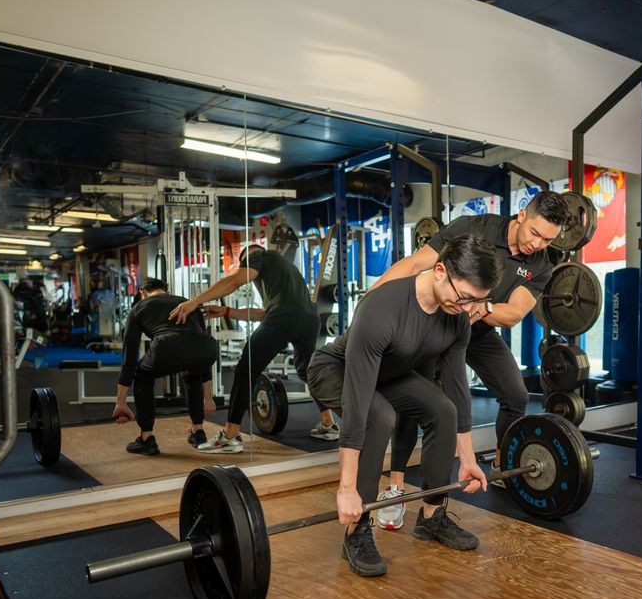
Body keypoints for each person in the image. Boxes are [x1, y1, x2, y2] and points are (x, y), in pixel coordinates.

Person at [369, 190, 573, 529]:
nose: (537, 244)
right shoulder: (473, 227)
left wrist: (486, 307)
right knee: (415, 400)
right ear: (521, 215)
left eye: (547, 239)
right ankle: (396, 487)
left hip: (478, 327)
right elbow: (419, 262)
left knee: (516, 395)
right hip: (437, 322)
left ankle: (500, 466)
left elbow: (515, 312)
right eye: (535, 233)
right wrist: (374, 295)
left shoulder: (541, 263)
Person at [306, 234, 502, 577]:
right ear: (440, 271)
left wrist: (468, 460)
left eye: (479, 301)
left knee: (444, 409)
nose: (471, 309)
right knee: (378, 415)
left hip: (390, 372)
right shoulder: (381, 309)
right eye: (467, 297)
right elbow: (356, 408)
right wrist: (347, 489)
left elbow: (457, 389)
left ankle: (431, 517)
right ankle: (357, 530)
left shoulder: (457, 318)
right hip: (335, 370)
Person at [169, 244, 338, 453]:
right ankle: (329, 423)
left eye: (243, 263)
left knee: (245, 369)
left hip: (285, 318)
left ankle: (230, 435)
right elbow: (265, 314)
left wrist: (194, 302)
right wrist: (226, 311)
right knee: (306, 370)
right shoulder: (287, 270)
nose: (244, 268)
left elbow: (234, 282)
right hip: (310, 320)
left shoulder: (260, 255)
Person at [112, 278, 218, 456]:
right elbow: (199, 348)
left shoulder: (139, 307)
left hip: (166, 347)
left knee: (142, 376)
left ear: (142, 293)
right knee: (193, 372)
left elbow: (129, 358)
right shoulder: (187, 302)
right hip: (208, 348)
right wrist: (208, 397)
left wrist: (120, 402)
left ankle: (147, 438)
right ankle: (198, 431)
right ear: (166, 290)